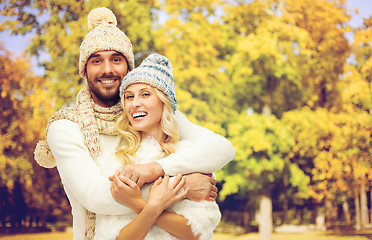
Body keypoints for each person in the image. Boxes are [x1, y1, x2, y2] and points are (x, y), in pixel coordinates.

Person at [34, 7, 235, 240]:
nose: (107, 69)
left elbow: (222, 148)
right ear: (84, 70)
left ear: (128, 67)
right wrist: (183, 186)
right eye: (96, 61)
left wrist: (155, 170)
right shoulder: (66, 127)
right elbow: (95, 196)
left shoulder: (147, 114)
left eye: (116, 60)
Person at [93, 53, 223, 240]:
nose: (135, 103)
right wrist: (154, 205)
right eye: (129, 97)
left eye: (145, 94)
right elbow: (114, 236)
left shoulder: (191, 157)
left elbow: (196, 232)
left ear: (164, 101)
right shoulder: (115, 161)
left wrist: (139, 204)